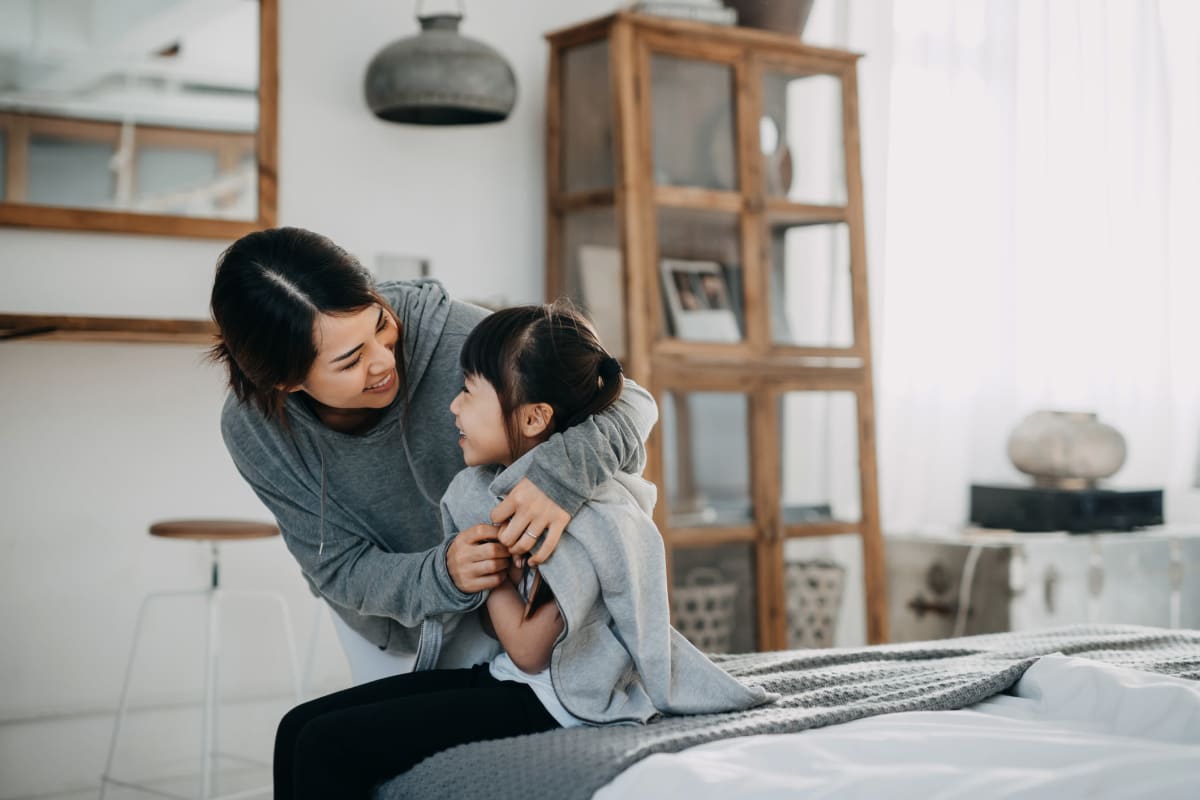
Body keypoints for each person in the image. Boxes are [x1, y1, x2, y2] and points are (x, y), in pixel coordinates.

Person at [273, 303, 774, 799]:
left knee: (324, 743)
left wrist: (489, 577)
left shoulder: (577, 517)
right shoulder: (499, 491)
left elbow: (532, 650)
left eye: (468, 391)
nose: (453, 407)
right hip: (512, 680)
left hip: (554, 699)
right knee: (296, 727)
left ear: (534, 417)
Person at [211, 227, 658, 683]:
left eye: (380, 324)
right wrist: (442, 573)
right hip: (389, 626)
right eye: (350, 361)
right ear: (286, 382)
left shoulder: (456, 335)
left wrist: (557, 480)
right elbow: (339, 567)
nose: (384, 360)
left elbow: (631, 402)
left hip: (515, 608)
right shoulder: (254, 430)